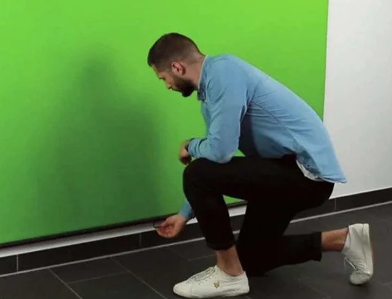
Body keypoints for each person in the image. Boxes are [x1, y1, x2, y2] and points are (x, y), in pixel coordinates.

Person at [147, 33, 374, 298]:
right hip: (280, 171)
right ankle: (345, 239)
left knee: (196, 172)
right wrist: (185, 214)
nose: (167, 86)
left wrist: (190, 145)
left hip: (306, 175)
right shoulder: (212, 89)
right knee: (252, 259)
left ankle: (228, 275)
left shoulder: (223, 72)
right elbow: (214, 157)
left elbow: (219, 153)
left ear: (177, 67)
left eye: (163, 78)